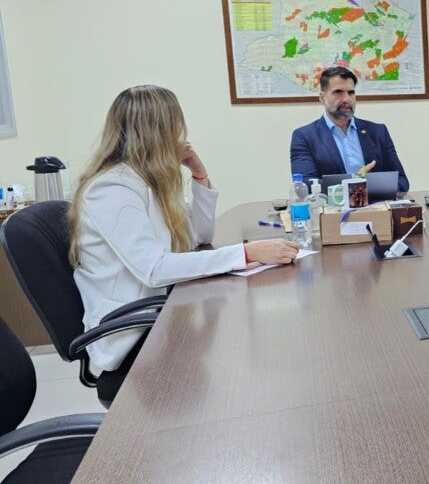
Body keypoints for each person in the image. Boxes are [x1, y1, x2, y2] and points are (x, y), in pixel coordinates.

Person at [69, 85, 299, 378]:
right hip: (133, 330)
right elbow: (154, 269)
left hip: (163, 310)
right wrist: (245, 253)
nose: (180, 136)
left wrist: (199, 175)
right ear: (157, 133)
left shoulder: (151, 179)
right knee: (242, 356)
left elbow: (199, 236)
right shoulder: (112, 189)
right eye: (175, 127)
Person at [290, 66, 409, 192]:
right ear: (322, 97)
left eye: (351, 93)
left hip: (375, 203)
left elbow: (401, 181)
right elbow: (305, 185)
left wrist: (362, 187)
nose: (346, 99)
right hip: (332, 204)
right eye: (338, 92)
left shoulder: (378, 132)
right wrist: (355, 181)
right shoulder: (304, 136)